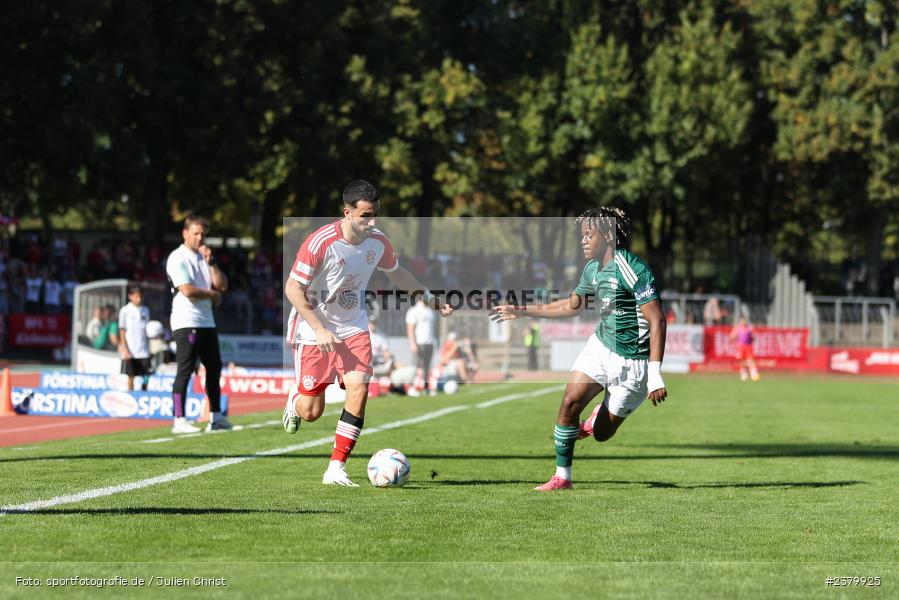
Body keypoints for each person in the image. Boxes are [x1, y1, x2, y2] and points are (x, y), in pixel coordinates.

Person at [283, 179, 453, 487]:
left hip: (354, 326)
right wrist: (319, 329)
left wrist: (428, 298)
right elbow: (293, 289)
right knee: (311, 412)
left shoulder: (378, 241)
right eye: (365, 216)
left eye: (375, 214)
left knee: (358, 389)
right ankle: (295, 401)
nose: (372, 222)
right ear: (347, 212)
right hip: (313, 327)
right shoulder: (320, 242)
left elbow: (397, 272)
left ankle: (336, 467)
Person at [491, 207, 668, 491]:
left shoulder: (631, 268)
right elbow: (572, 306)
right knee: (569, 403)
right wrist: (523, 311)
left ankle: (596, 420)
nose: (583, 241)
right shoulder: (592, 269)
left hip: (632, 361)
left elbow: (657, 319)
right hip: (600, 346)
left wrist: (655, 374)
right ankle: (563, 477)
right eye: (582, 236)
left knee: (601, 434)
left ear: (608, 235)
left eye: (589, 234)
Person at [166, 214, 232, 434]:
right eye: (196, 233)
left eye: (203, 234)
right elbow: (187, 290)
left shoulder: (205, 258)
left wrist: (211, 263)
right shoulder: (177, 257)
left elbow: (222, 285)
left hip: (207, 321)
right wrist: (212, 295)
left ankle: (216, 417)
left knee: (214, 369)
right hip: (186, 320)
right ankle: (179, 419)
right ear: (185, 233)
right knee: (185, 370)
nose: (200, 238)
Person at [118, 284, 152, 391]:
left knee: (146, 375)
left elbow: (148, 330)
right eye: (137, 296)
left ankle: (144, 390)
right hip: (131, 350)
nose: (139, 298)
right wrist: (125, 349)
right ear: (130, 296)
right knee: (131, 376)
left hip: (144, 350)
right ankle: (131, 393)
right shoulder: (125, 310)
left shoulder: (146, 310)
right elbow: (122, 331)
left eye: (141, 296)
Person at [405, 295, 438, 397]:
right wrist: (413, 343)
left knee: (427, 367)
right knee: (415, 366)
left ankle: (426, 388)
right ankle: (410, 388)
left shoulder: (430, 311)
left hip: (429, 342)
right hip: (419, 342)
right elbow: (410, 329)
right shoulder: (413, 311)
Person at [729, 317, 760, 382]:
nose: (743, 322)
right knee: (742, 361)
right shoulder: (737, 328)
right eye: (742, 321)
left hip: (748, 347)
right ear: (740, 322)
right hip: (740, 347)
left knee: (750, 360)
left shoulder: (749, 328)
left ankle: (753, 373)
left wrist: (752, 337)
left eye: (744, 321)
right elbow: (732, 336)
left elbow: (753, 337)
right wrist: (732, 339)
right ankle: (744, 373)